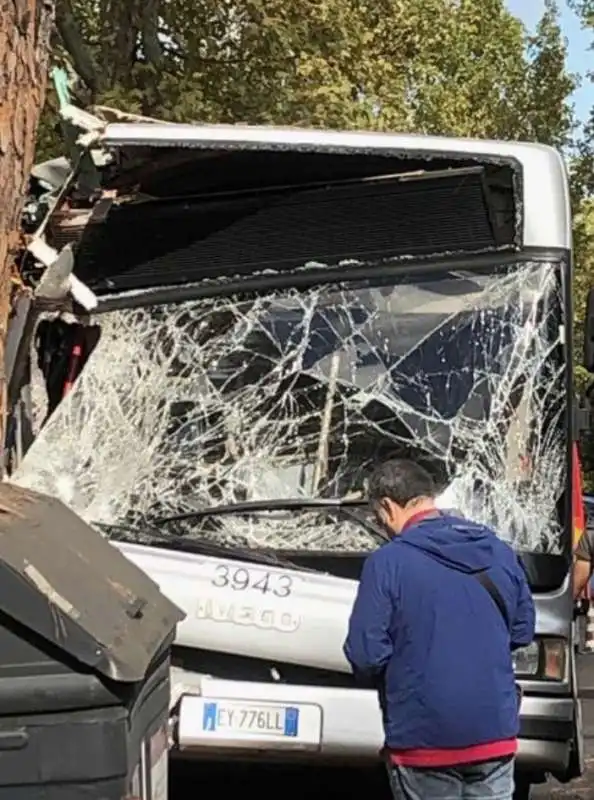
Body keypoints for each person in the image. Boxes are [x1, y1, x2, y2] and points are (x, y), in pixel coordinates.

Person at [343, 459, 535, 800]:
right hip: (494, 733)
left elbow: (366, 653)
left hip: (423, 739)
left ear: (387, 507)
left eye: (377, 517)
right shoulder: (501, 552)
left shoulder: (387, 562)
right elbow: (521, 632)